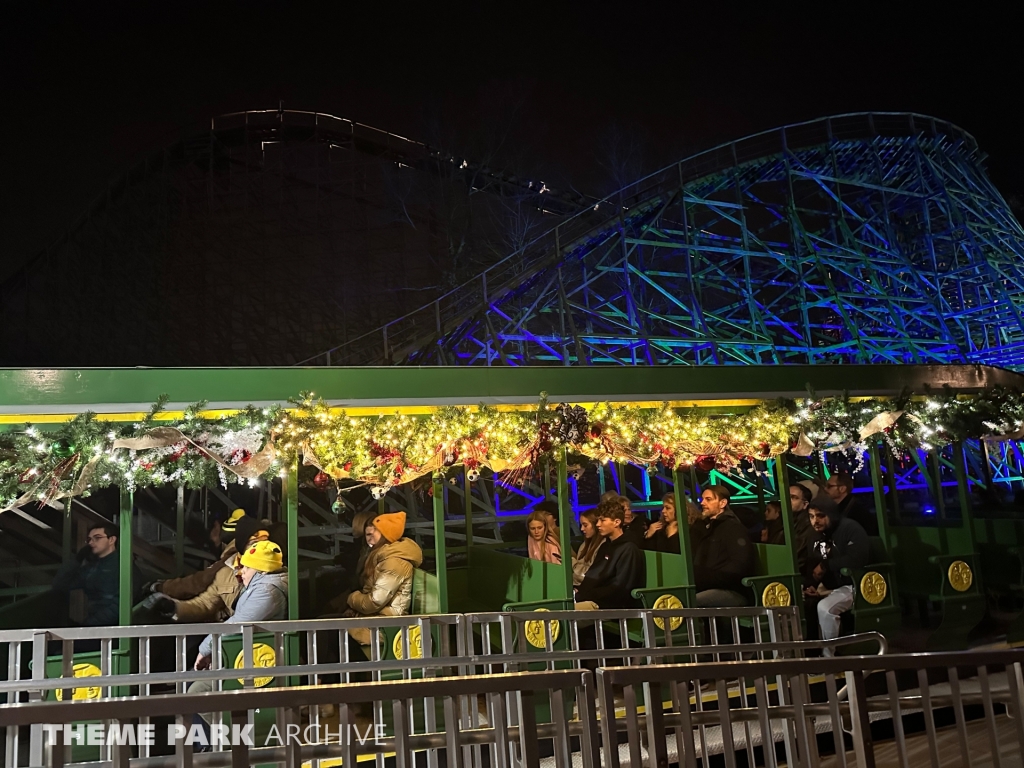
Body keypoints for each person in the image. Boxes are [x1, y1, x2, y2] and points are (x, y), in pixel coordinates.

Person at [188, 539, 288, 749]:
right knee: (195, 689)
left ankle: (221, 745)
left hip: (254, 663)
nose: (241, 572)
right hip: (245, 657)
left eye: (247, 567)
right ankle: (211, 746)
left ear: (261, 569)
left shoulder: (267, 591)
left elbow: (237, 624)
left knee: (197, 692)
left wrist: (205, 649)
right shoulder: (261, 585)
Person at [142, 518, 267, 623]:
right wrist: (174, 608)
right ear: (241, 545)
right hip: (238, 638)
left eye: (266, 542)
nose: (262, 548)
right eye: (254, 543)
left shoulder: (275, 573)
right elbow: (205, 604)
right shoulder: (225, 573)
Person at [804, 498, 870, 655]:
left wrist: (826, 565)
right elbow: (812, 564)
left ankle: (829, 657)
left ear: (831, 515)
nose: (815, 521)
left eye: (820, 516)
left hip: (856, 584)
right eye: (811, 516)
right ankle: (810, 653)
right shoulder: (814, 535)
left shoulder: (850, 528)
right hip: (830, 586)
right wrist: (811, 584)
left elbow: (857, 559)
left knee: (825, 608)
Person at [53, 523, 133, 628]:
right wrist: (77, 559)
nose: (91, 542)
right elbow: (60, 584)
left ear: (111, 540)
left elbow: (120, 605)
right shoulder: (91, 568)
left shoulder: (123, 565)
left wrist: (89, 625)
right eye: (89, 539)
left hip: (115, 627)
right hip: (94, 624)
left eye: (97, 538)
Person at [346, 511, 424, 619]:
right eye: (367, 535)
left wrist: (351, 598)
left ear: (384, 535)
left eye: (371, 534)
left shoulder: (394, 562)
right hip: (379, 617)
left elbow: (374, 602)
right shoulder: (383, 558)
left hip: (387, 621)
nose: (368, 539)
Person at [692, 486, 756, 607]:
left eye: (708, 499)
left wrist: (707, 579)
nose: (702, 503)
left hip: (731, 590)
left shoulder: (733, 528)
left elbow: (739, 565)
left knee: (688, 603)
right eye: (702, 499)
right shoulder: (706, 526)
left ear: (722, 503)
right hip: (708, 587)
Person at [575, 500, 646, 610]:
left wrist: (586, 595)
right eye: (598, 520)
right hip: (593, 600)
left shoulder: (629, 549)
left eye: (602, 520)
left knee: (560, 614)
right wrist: (580, 592)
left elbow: (620, 589)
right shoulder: (605, 546)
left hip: (609, 607)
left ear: (617, 522)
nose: (598, 524)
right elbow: (593, 575)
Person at [571, 508, 604, 585]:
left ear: (596, 524)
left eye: (585, 525)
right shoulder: (585, 544)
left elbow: (589, 575)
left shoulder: (603, 546)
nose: (582, 529)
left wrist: (572, 563)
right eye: (581, 525)